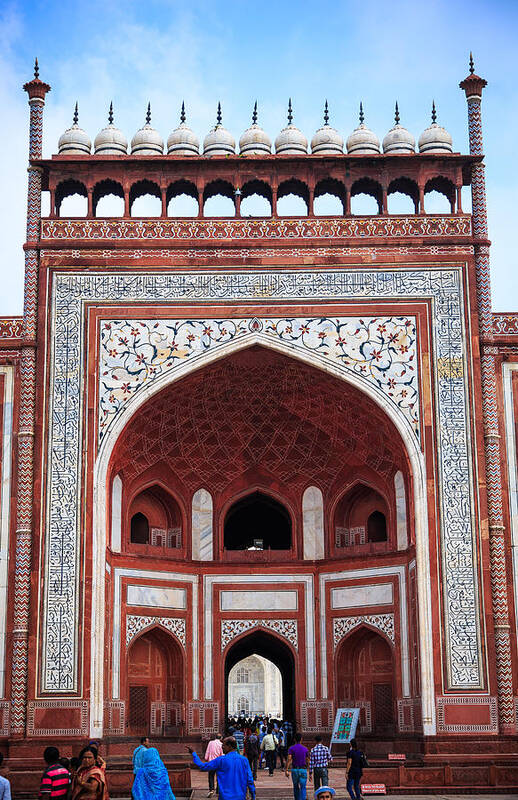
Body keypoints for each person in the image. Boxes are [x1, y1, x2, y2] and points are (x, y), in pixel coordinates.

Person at [188, 736, 255, 800]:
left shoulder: (221, 760)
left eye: (223, 745)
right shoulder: (244, 760)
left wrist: (194, 754)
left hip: (225, 797)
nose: (222, 747)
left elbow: (203, 766)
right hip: (240, 796)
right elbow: (249, 779)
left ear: (230, 746)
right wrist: (253, 795)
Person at [285, 732, 309, 800]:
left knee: (295, 787)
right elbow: (307, 760)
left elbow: (289, 759)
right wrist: (310, 770)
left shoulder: (291, 748)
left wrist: (286, 769)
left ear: (294, 739)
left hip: (295, 770)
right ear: (301, 739)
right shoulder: (305, 749)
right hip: (303, 769)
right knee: (303, 787)